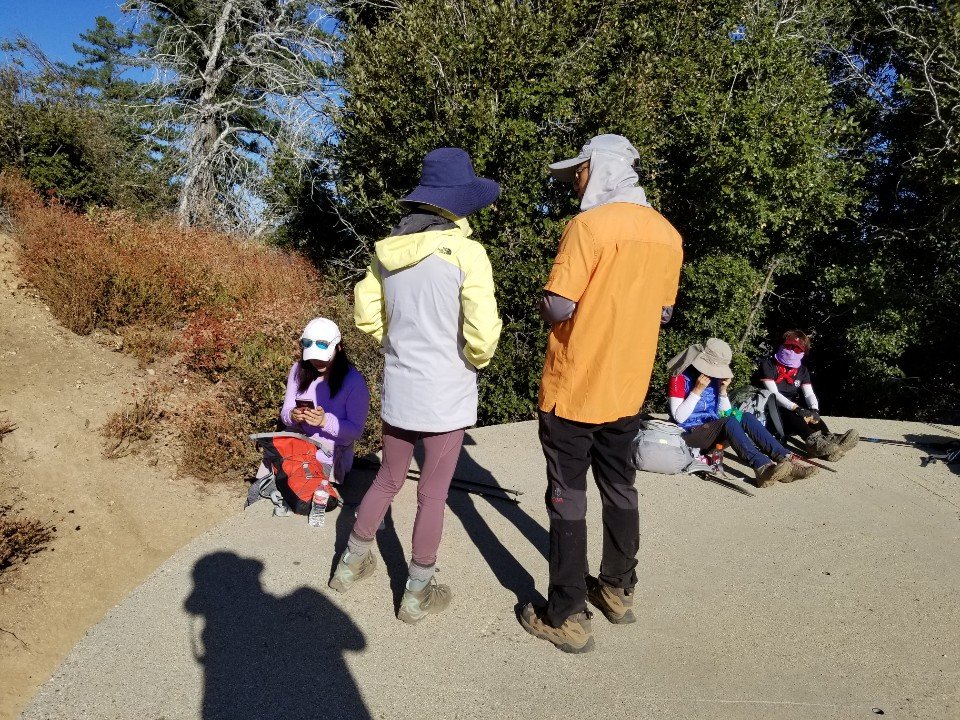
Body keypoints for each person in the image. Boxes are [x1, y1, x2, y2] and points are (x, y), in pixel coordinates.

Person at [519, 134, 683, 654]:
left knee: (567, 496)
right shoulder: (668, 235)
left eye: (580, 171)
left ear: (602, 168)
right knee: (620, 487)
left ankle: (567, 614)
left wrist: (544, 305)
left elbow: (559, 305)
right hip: (628, 388)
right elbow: (663, 313)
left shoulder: (588, 227)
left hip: (575, 387)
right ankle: (618, 588)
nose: (576, 182)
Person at [332, 147, 502, 625]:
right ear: (458, 203)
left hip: (400, 387)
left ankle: (349, 566)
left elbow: (366, 315)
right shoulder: (468, 254)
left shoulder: (386, 252)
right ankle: (417, 593)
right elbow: (483, 333)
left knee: (388, 478)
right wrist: (471, 361)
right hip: (444, 393)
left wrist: (396, 342)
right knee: (432, 494)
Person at [253, 317, 371, 513]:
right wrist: (293, 416)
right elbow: (285, 413)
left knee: (295, 487)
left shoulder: (354, 382)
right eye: (312, 356)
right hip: (297, 443)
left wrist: (325, 422)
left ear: (339, 348)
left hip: (329, 452)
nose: (317, 361)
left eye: (323, 357)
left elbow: (355, 431)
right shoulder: (299, 370)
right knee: (273, 482)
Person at [668, 338, 817, 487]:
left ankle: (785, 460)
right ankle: (763, 467)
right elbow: (679, 417)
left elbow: (726, 413)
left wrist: (723, 392)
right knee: (730, 421)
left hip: (710, 431)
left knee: (745, 417)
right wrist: (697, 390)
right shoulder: (679, 377)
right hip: (688, 435)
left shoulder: (714, 380)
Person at [751, 330, 859, 460]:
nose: (792, 351)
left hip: (790, 408)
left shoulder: (802, 370)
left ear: (803, 352)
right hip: (768, 411)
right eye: (789, 346)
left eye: (797, 349)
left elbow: (809, 394)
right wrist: (796, 408)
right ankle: (813, 443)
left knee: (808, 413)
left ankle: (829, 440)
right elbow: (773, 394)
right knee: (794, 413)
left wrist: (814, 410)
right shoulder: (768, 365)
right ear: (781, 345)